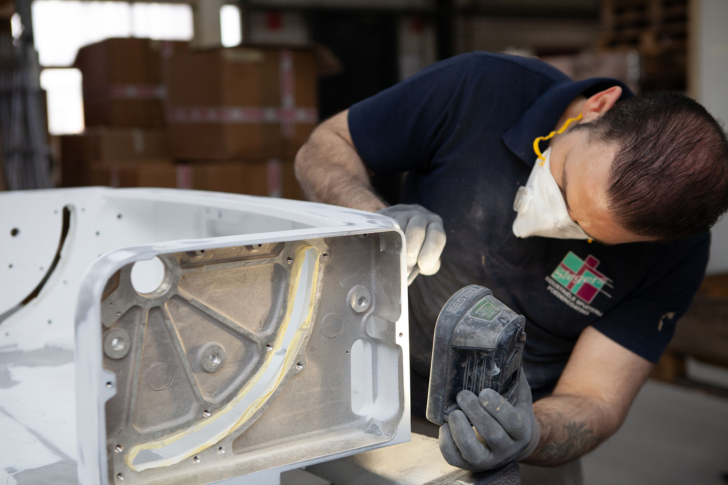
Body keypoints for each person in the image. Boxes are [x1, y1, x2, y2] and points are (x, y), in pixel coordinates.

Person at [294, 52, 728, 484]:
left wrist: (528, 434)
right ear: (598, 107)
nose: (554, 218)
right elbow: (325, 148)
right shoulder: (481, 88)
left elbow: (594, 397)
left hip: (515, 437)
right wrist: (376, 221)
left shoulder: (676, 254)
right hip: (370, 391)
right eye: (564, 184)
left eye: (585, 233)